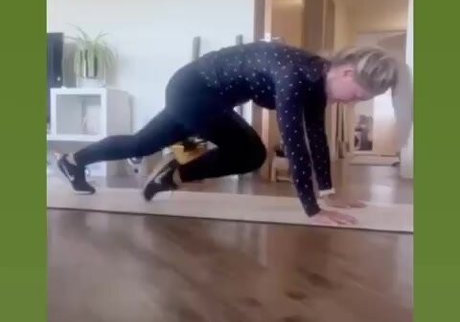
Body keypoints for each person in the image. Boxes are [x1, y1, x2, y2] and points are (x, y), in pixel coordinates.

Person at [57, 41, 408, 226]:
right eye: (357, 95)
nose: (352, 103)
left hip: (204, 95)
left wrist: (329, 192)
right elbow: (295, 143)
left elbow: (316, 137)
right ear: (346, 73)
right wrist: (312, 208)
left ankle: (74, 162)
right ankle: (174, 171)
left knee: (143, 143)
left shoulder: (317, 81)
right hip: (193, 90)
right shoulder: (295, 76)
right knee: (251, 152)